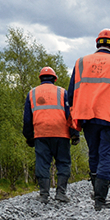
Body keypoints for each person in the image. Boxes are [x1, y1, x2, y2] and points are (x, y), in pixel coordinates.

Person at [67, 28, 110, 210]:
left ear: (97, 44)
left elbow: (71, 94)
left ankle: (97, 191)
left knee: (94, 154)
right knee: (106, 156)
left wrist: (76, 116)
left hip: (87, 116)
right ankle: (100, 198)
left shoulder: (81, 62)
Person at [22, 66, 78, 202]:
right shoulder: (62, 92)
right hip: (61, 133)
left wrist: (29, 136)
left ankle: (44, 195)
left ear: (40, 78)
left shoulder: (32, 93)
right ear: (55, 79)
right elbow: (70, 114)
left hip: (41, 134)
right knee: (63, 163)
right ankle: (61, 193)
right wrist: (75, 133)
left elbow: (27, 118)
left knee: (42, 163)